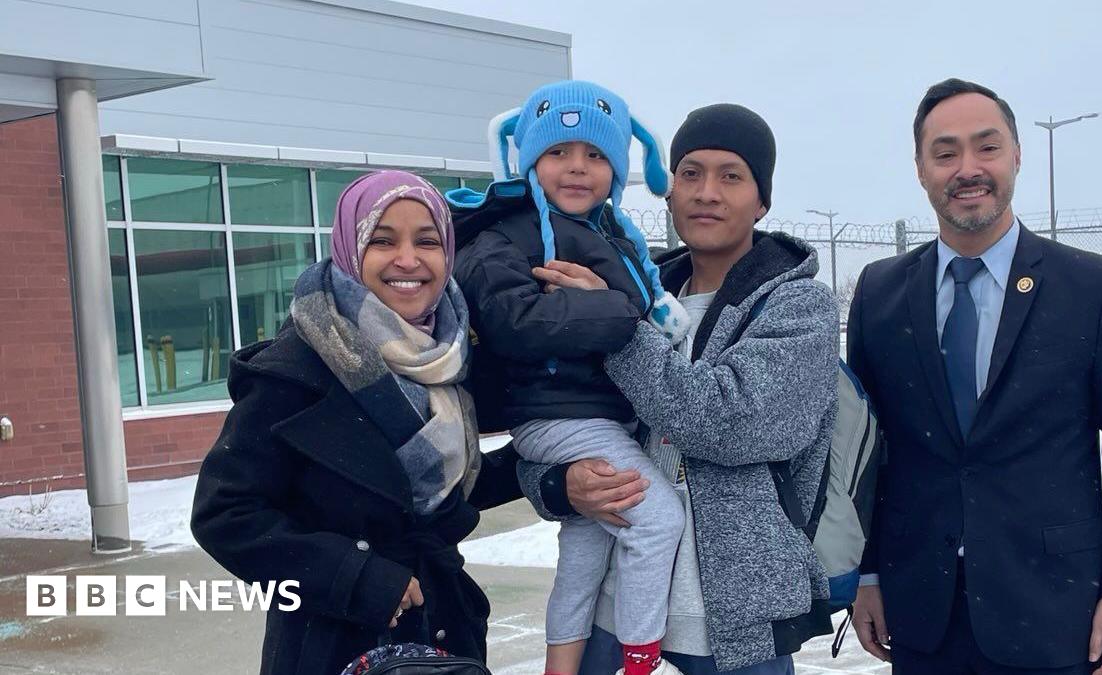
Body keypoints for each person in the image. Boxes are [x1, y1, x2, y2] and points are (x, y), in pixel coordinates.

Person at [847, 78, 1102, 675]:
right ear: (920, 169)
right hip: (921, 610)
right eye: (945, 153)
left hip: (1053, 607)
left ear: (1017, 154)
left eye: (986, 147)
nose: (967, 169)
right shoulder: (880, 293)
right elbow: (866, 455)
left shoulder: (1094, 288)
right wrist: (867, 573)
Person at [520, 103, 840, 675]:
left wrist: (613, 327)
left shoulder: (798, 306)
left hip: (733, 625)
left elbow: (732, 424)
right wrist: (559, 485)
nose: (706, 192)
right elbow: (553, 418)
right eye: (690, 173)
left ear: (762, 200)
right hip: (612, 608)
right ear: (668, 191)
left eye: (731, 176)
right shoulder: (632, 289)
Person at [191, 171, 523, 675]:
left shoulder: (451, 359)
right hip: (331, 643)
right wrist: (355, 576)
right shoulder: (294, 370)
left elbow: (438, 494)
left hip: (444, 632)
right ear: (350, 249)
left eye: (427, 241)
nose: (408, 259)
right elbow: (226, 515)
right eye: (382, 241)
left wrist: (557, 474)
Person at [453, 79, 691, 675]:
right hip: (558, 413)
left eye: (595, 155)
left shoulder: (608, 232)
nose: (577, 168)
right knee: (657, 520)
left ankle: (559, 666)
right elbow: (516, 322)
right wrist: (618, 308)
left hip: (587, 413)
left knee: (586, 546)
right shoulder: (506, 232)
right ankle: (640, 661)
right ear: (530, 158)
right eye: (558, 152)